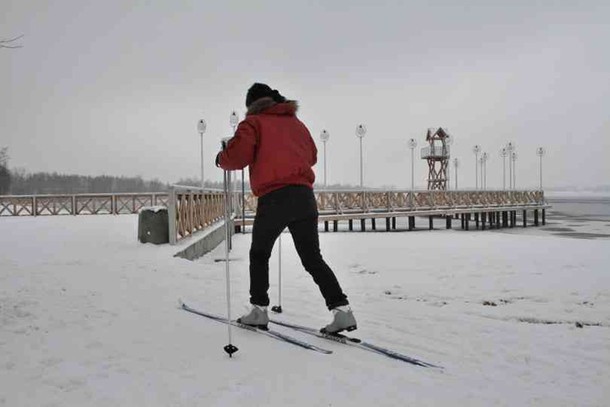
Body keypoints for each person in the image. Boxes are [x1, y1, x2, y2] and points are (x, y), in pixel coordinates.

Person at [215, 83, 357, 334]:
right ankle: (342, 311)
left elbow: (238, 157)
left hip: (274, 198)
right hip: (304, 196)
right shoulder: (297, 124)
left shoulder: (253, 123)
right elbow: (311, 155)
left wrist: (221, 158)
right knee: (312, 258)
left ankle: (259, 310)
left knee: (260, 254)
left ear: (252, 104)